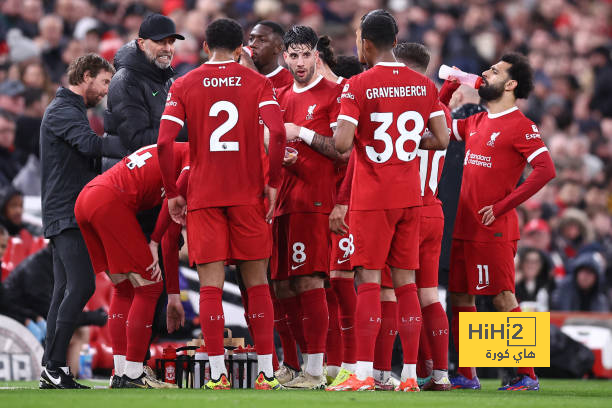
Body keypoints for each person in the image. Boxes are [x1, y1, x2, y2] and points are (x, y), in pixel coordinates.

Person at [157, 18, 286, 391]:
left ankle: (217, 373)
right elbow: (277, 133)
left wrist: (172, 190)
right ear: (241, 46)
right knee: (257, 284)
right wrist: (274, 182)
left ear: (204, 46)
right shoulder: (258, 82)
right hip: (248, 194)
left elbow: (165, 143)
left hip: (204, 196)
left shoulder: (184, 83)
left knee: (211, 287)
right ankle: (267, 372)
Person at [326, 9, 449, 392]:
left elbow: (343, 144)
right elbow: (443, 139)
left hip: (372, 197)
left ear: (365, 42)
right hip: (410, 197)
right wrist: (410, 145)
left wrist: (362, 135)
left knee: (367, 282)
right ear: (396, 41)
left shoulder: (358, 85)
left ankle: (363, 372)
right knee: (407, 284)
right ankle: (410, 376)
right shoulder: (424, 85)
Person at [446, 52, 556, 391]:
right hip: (464, 226)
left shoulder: (521, 125)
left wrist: (504, 205)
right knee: (461, 296)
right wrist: (448, 86)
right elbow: (434, 125)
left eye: (493, 71)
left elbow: (546, 170)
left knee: (503, 297)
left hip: (493, 230)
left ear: (510, 84)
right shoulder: (477, 120)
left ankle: (527, 375)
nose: (483, 74)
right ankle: (466, 374)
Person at [39, 53, 124, 389]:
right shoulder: (63, 109)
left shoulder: (70, 110)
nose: (105, 91)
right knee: (82, 285)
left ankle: (51, 368)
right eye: (104, 82)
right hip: (66, 212)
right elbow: (91, 145)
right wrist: (133, 144)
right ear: (86, 76)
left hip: (66, 210)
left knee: (63, 290)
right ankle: (55, 364)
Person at [75, 143, 189, 389]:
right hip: (109, 201)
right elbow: (171, 233)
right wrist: (153, 243)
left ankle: (120, 372)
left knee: (124, 287)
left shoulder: (169, 150)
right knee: (148, 288)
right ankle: (134, 374)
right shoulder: (194, 160)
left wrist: (173, 295)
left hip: (87, 198)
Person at [270, 25, 344, 389]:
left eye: (305, 55)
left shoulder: (334, 93)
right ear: (285, 56)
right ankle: (297, 364)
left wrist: (303, 134)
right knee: (282, 287)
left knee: (309, 279)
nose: (299, 63)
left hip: (315, 200)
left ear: (317, 55)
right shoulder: (280, 96)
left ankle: (317, 370)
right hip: (283, 200)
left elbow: (341, 149)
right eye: (293, 55)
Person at [392, 42, 452, 391]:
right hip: (433, 208)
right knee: (430, 294)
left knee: (396, 291)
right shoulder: (439, 107)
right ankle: (440, 373)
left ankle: (401, 373)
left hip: (405, 209)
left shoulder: (399, 108)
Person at [104, 13, 184, 161]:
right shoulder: (126, 80)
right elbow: (136, 140)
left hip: (147, 171)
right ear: (141, 44)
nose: (167, 48)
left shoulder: (165, 78)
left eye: (171, 42)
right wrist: (181, 129)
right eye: (160, 42)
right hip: (126, 173)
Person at [248, 21, 294, 89]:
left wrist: (254, 76)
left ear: (278, 48)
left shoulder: (290, 83)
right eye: (251, 39)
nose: (252, 44)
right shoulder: (236, 77)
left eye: (262, 40)